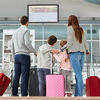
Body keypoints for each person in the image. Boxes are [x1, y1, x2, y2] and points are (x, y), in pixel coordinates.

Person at [53, 15, 90, 97]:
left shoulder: (70, 28)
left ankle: (79, 96)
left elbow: (69, 43)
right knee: (78, 76)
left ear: (70, 21)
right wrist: (87, 50)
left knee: (79, 76)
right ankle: (77, 95)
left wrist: (60, 50)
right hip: (82, 54)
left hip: (74, 54)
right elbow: (85, 43)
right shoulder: (81, 30)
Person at [11, 16, 37, 96]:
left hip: (17, 56)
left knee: (16, 76)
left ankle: (14, 94)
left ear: (20, 22)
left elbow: (12, 45)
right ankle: (24, 94)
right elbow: (27, 43)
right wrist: (34, 52)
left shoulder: (15, 32)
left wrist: (13, 56)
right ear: (27, 22)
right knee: (24, 76)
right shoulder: (26, 30)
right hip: (24, 56)